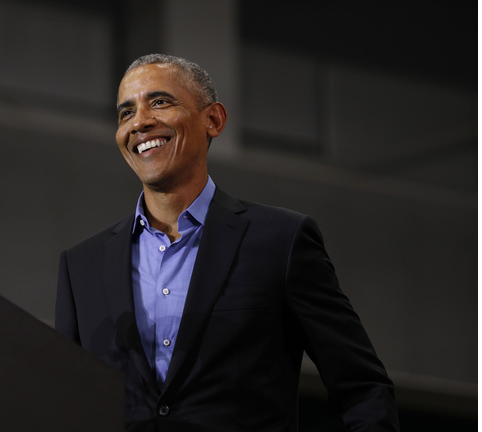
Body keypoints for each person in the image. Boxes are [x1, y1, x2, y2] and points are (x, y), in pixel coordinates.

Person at [55, 54, 400, 432]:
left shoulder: (280, 240)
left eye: (160, 102)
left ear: (213, 120)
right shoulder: (81, 266)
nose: (140, 122)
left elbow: (362, 389)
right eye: (125, 113)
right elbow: (63, 403)